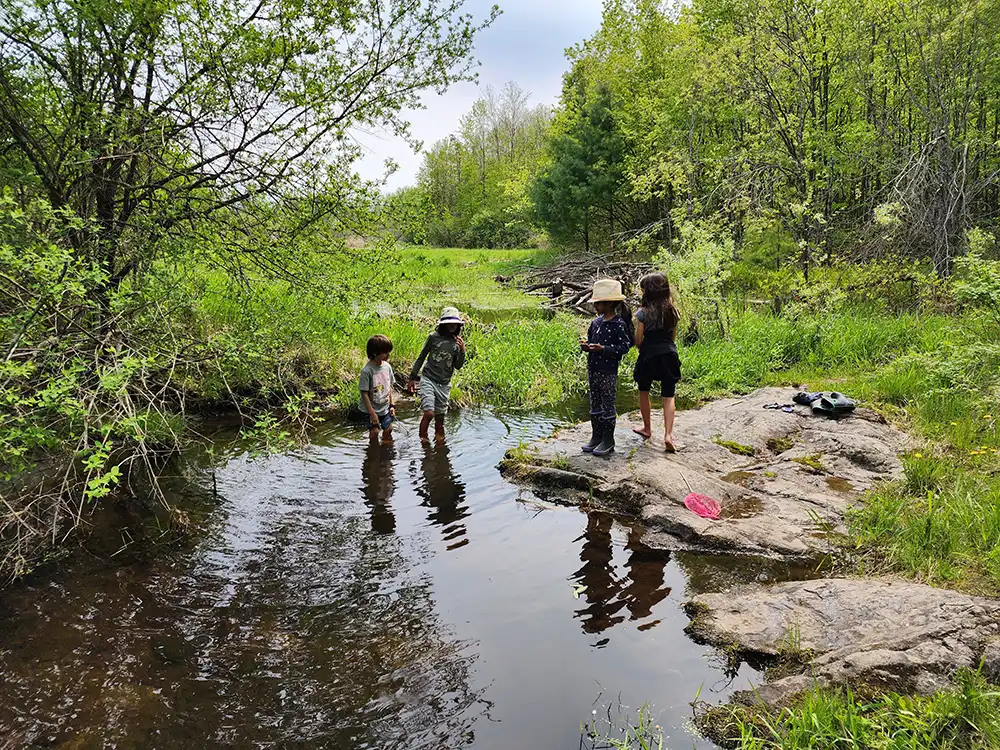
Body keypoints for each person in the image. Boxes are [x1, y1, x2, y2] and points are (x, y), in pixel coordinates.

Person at [580, 279, 634, 456]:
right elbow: (591, 340)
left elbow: (624, 347)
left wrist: (604, 349)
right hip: (593, 368)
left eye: (598, 302)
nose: (595, 305)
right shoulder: (595, 323)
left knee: (607, 403)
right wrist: (586, 346)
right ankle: (597, 436)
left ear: (609, 303)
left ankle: (608, 440)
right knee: (594, 403)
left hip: (608, 370)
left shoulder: (618, 324)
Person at [632, 273, 682, 452]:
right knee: (669, 395)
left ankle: (647, 428)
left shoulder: (643, 313)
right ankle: (668, 435)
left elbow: (638, 340)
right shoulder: (673, 311)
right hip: (669, 353)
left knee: (644, 390)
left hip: (648, 354)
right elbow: (673, 337)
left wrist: (643, 348)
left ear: (648, 292)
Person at [407, 307, 466, 441]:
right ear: (442, 324)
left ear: (458, 325)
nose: (451, 326)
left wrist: (462, 351)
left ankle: (439, 448)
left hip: (444, 384)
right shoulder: (433, 338)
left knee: (440, 421)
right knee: (428, 413)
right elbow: (421, 357)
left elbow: (458, 366)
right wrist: (412, 378)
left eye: (454, 323)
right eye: (448, 323)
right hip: (428, 379)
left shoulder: (457, 343)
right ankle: (424, 443)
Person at [359, 334, 396, 442]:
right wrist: (372, 413)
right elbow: (364, 393)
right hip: (369, 408)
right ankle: (373, 452)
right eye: (385, 352)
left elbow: (389, 387)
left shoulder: (387, 367)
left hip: (384, 406)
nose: (388, 355)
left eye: (389, 351)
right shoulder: (367, 371)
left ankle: (386, 448)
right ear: (375, 353)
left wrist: (392, 405)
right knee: (374, 431)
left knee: (389, 428)